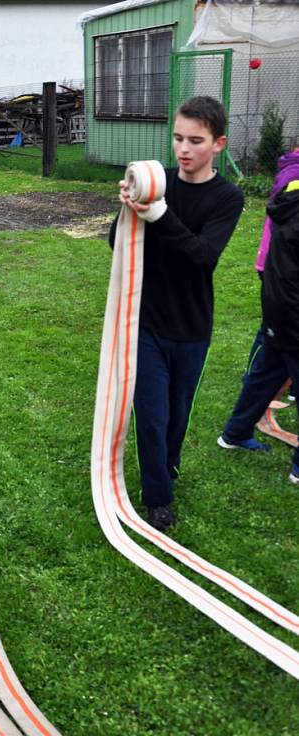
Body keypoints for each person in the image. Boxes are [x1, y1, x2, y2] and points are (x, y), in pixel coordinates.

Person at [109, 96, 244, 531]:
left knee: (177, 413)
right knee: (151, 413)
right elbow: (118, 244)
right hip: (146, 321)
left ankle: (166, 466)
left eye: (196, 141)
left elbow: (202, 256)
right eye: (178, 138)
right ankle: (157, 496)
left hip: (191, 327)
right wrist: (128, 208)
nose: (184, 149)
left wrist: (160, 214)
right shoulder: (158, 181)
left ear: (218, 144)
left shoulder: (228, 198)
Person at [218, 179, 299, 483]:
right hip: (292, 316)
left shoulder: (291, 198)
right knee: (266, 375)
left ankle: (235, 433)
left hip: (279, 312)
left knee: (264, 378)